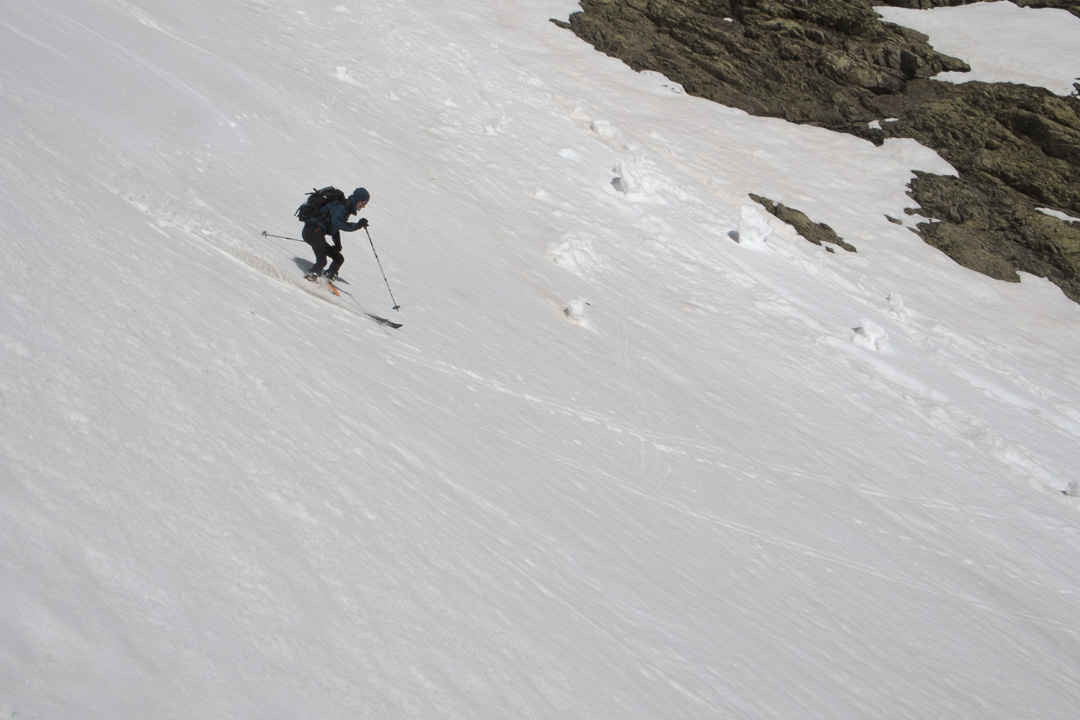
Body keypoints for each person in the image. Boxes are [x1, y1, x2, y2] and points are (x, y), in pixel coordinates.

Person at [302, 187, 370, 281]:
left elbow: (334, 227)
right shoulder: (342, 205)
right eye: (363, 202)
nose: (364, 206)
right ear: (358, 199)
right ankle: (311, 276)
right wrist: (357, 225)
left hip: (314, 231)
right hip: (314, 229)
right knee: (322, 261)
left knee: (338, 258)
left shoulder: (346, 209)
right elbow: (336, 222)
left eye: (365, 203)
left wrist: (337, 244)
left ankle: (328, 278)